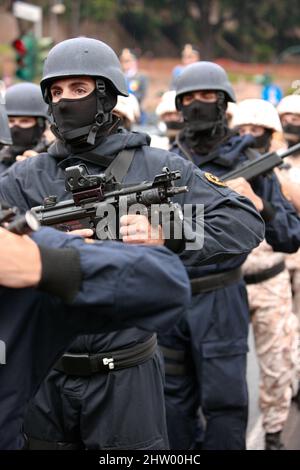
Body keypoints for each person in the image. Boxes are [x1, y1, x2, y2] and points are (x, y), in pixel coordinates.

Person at [0, 38, 264, 451]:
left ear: (105, 95)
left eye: (78, 89)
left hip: (127, 377)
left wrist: (168, 229)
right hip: (44, 380)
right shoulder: (24, 177)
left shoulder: (157, 164)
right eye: (56, 92)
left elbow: (242, 221)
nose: (65, 101)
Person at [159, 61, 300, 450]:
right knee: (171, 406)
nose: (198, 105)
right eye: (189, 99)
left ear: (224, 105)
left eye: (208, 97)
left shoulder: (249, 163)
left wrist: (257, 203)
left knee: (224, 405)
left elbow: (290, 237)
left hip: (222, 298)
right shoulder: (165, 164)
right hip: (171, 295)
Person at [0, 224, 192, 450]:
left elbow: (167, 285)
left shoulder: (16, 249)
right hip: (50, 394)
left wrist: (45, 264)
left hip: (123, 373)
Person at [232, 98, 299, 449]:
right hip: (230, 285)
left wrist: (266, 198)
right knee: (224, 372)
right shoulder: (221, 174)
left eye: (255, 131)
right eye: (240, 131)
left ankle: (273, 434)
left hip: (272, 280)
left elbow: (290, 234)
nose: (247, 137)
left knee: (276, 366)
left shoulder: (278, 176)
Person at [0, 83, 51, 174]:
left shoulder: (55, 161)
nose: (15, 128)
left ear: (40, 125)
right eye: (11, 121)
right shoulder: (2, 159)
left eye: (25, 121)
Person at [119, 48, 148, 123]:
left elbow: (143, 94)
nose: (124, 63)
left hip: (136, 108)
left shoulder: (141, 76)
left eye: (127, 60)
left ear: (134, 61)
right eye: (122, 61)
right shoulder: (119, 76)